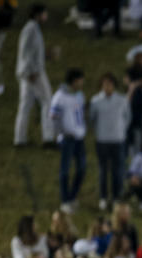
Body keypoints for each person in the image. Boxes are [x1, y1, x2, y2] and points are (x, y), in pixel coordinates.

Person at [89, 73, 131, 211]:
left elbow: (127, 117)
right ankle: (103, 197)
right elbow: (92, 119)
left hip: (118, 139)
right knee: (103, 170)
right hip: (102, 139)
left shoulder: (121, 100)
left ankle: (116, 196)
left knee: (117, 170)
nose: (107, 87)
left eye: (110, 84)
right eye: (105, 84)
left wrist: (121, 131)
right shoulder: (96, 101)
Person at [13, 4, 52, 147]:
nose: (46, 17)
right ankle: (48, 138)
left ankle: (20, 139)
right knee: (48, 101)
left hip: (28, 72)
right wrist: (30, 72)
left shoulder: (33, 29)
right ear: (38, 14)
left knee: (25, 105)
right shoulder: (31, 29)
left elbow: (32, 52)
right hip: (34, 73)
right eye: (44, 13)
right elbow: (25, 52)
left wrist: (46, 55)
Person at [51, 69, 86, 214]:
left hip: (79, 138)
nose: (82, 83)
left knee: (82, 168)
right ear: (74, 80)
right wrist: (60, 134)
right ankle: (65, 201)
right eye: (80, 80)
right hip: (67, 138)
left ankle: (72, 197)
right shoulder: (60, 96)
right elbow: (54, 117)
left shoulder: (79, 95)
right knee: (65, 170)